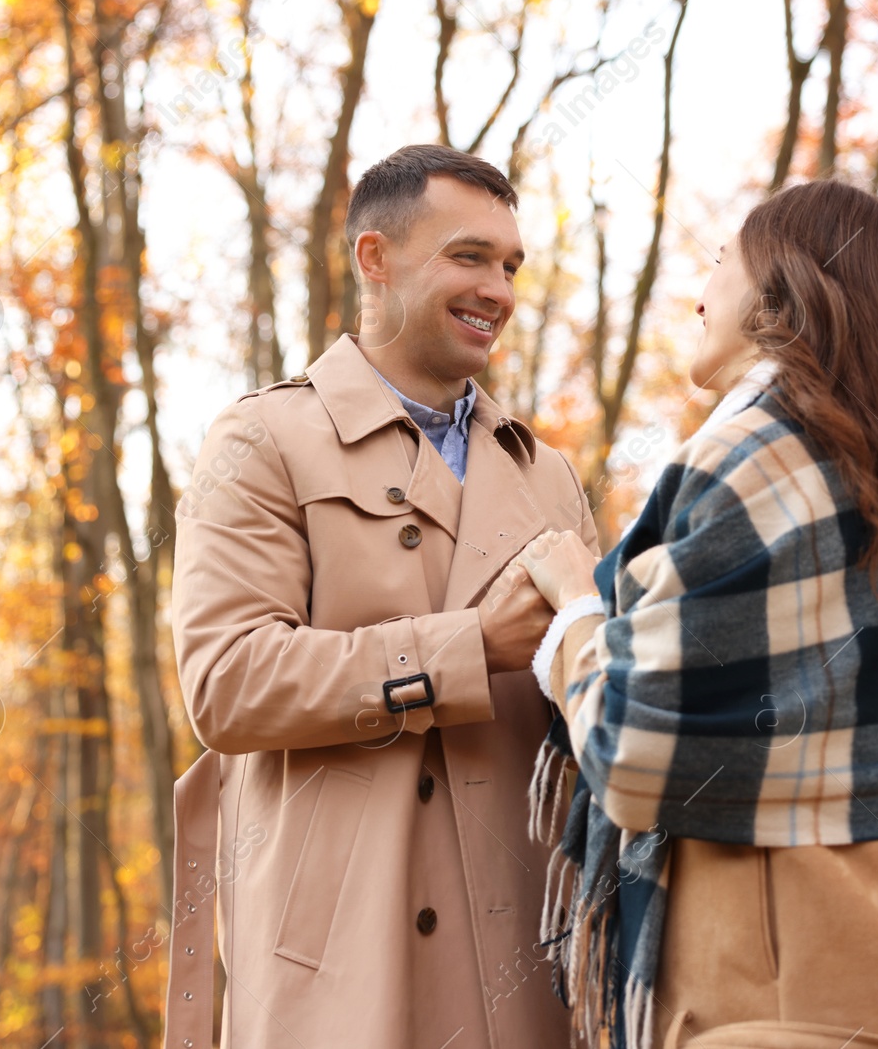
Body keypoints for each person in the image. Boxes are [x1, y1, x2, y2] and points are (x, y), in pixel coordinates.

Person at [512, 179, 878, 1049]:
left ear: (780, 289)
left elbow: (631, 753)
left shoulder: (750, 456)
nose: (699, 290)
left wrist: (579, 607)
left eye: (721, 261)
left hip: (793, 1003)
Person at [162, 144, 597, 1049]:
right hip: (337, 977)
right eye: (469, 257)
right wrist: (465, 648)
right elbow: (227, 683)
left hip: (524, 962)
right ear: (376, 259)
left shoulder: (549, 475)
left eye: (511, 265)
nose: (500, 291)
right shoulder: (263, 438)